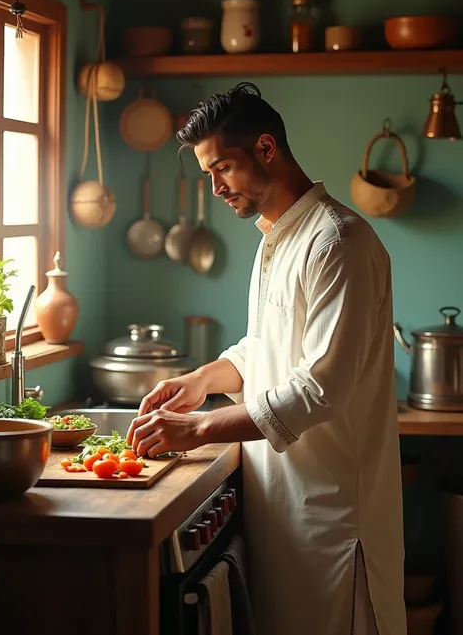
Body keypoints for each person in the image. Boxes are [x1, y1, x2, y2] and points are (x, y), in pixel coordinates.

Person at [127, 82, 406, 635]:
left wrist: (199, 427)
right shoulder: (275, 237)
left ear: (266, 148)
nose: (215, 187)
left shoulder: (339, 242)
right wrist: (201, 380)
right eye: (207, 173)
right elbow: (266, 346)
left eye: (223, 168)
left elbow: (318, 389)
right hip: (284, 510)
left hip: (335, 523)